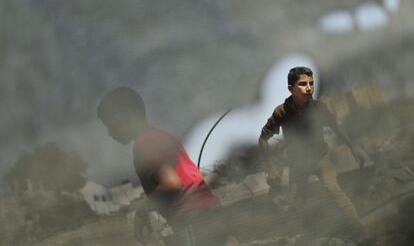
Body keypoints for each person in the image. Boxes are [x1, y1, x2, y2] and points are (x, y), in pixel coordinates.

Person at [97, 87, 227, 246]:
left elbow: (171, 182)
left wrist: (142, 210)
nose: (110, 133)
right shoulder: (159, 135)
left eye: (110, 125)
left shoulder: (144, 145)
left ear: (126, 117)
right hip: (209, 211)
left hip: (193, 220)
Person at [258, 67, 368, 241]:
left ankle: (362, 236)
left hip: (319, 159)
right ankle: (313, 238)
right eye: (302, 84)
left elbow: (336, 127)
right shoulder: (282, 112)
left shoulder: (318, 108)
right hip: (298, 165)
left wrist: (353, 147)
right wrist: (271, 168)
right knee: (299, 203)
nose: (308, 88)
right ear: (291, 88)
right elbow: (263, 138)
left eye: (311, 83)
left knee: (335, 192)